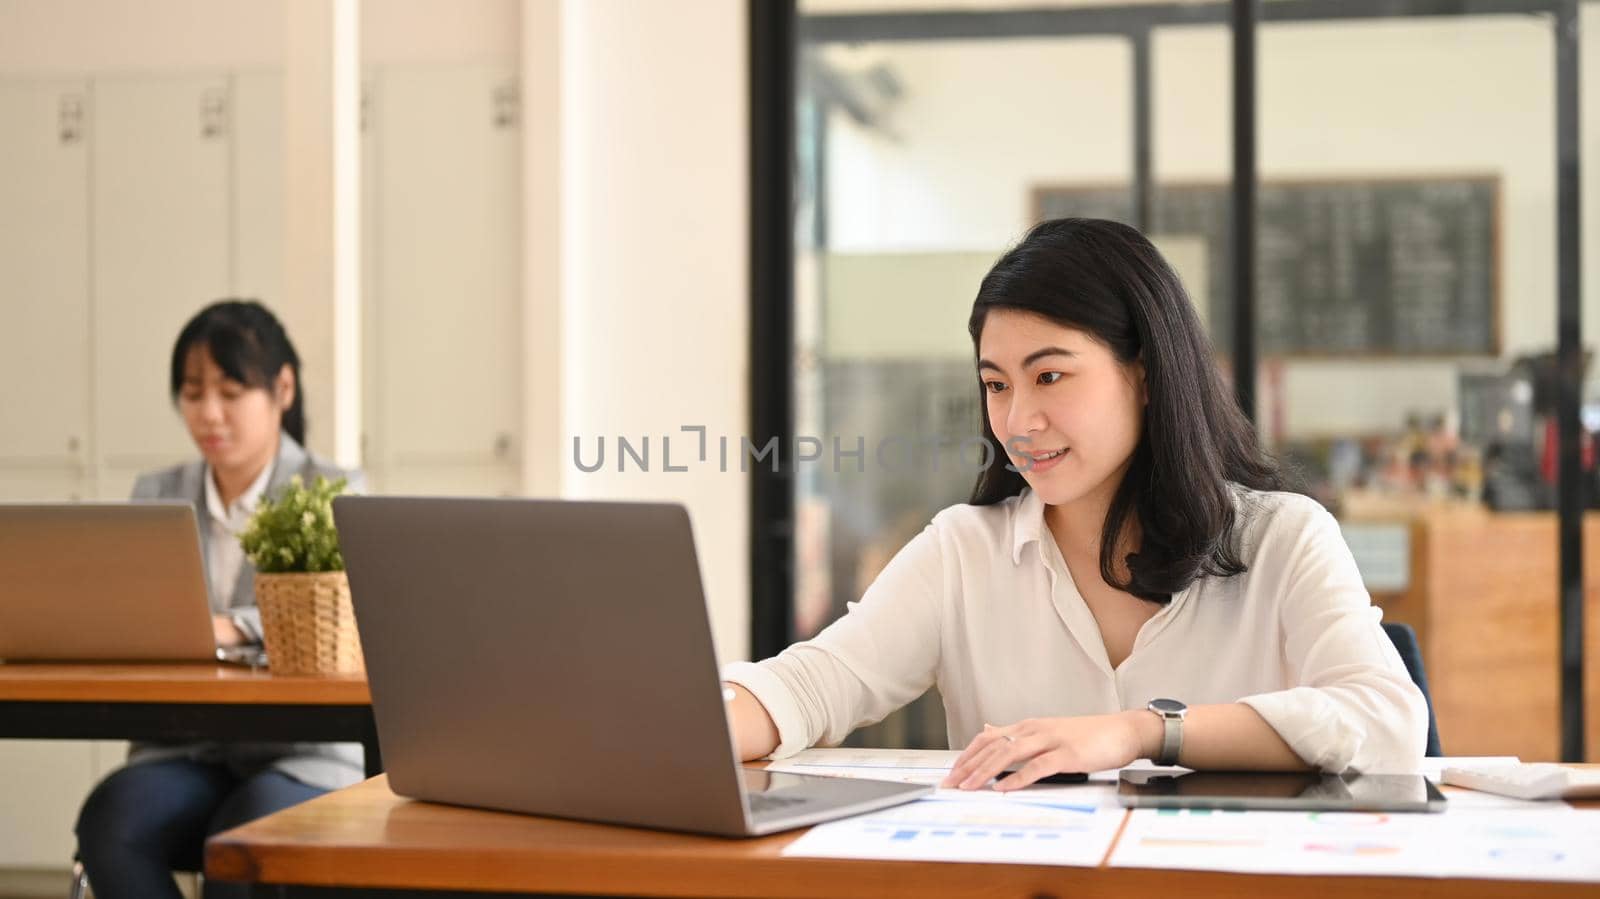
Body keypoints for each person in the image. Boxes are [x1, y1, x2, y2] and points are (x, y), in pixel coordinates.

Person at [721, 218, 1427, 790]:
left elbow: (1389, 723)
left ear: (1144, 374)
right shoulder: (964, 551)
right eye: (996, 384)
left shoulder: (1283, 538)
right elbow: (813, 685)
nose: (1018, 420)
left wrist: (1140, 730)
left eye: (1050, 375)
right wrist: (678, 728)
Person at [74, 300, 365, 899]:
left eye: (231, 392)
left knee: (240, 848)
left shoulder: (330, 490)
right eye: (192, 393)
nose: (209, 414)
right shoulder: (158, 493)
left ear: (282, 389)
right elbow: (133, 615)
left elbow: (344, 613)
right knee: (111, 822)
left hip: (302, 752)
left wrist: (230, 628)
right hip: (186, 742)